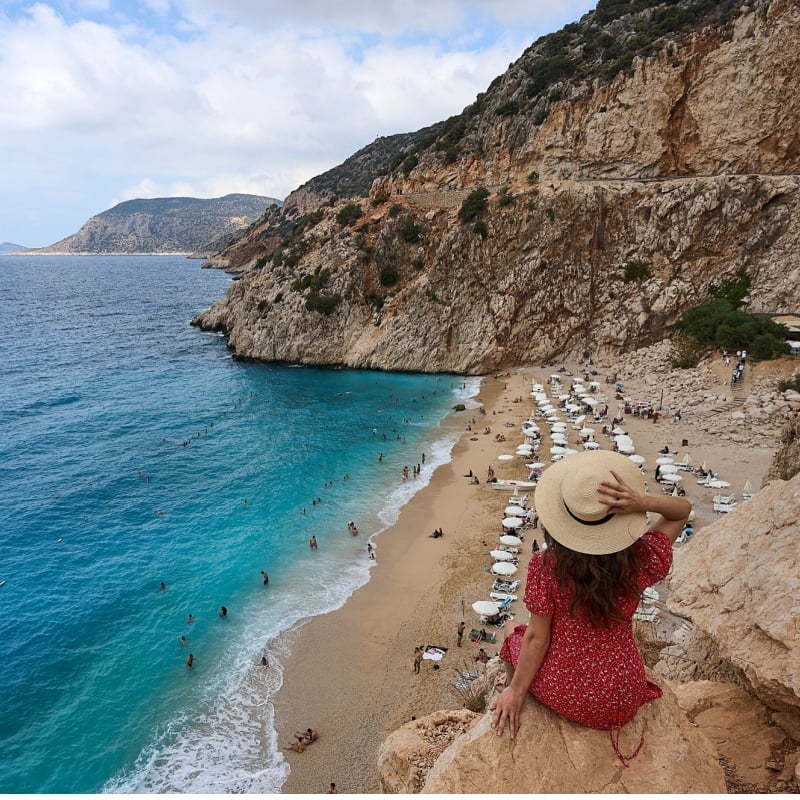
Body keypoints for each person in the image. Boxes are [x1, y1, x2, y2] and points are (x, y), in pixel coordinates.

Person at [490, 450, 690, 765]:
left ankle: (512, 690)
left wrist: (516, 690)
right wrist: (642, 502)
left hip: (571, 694)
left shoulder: (547, 567)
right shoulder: (638, 560)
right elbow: (681, 512)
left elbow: (537, 639)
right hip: (625, 692)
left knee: (514, 632)